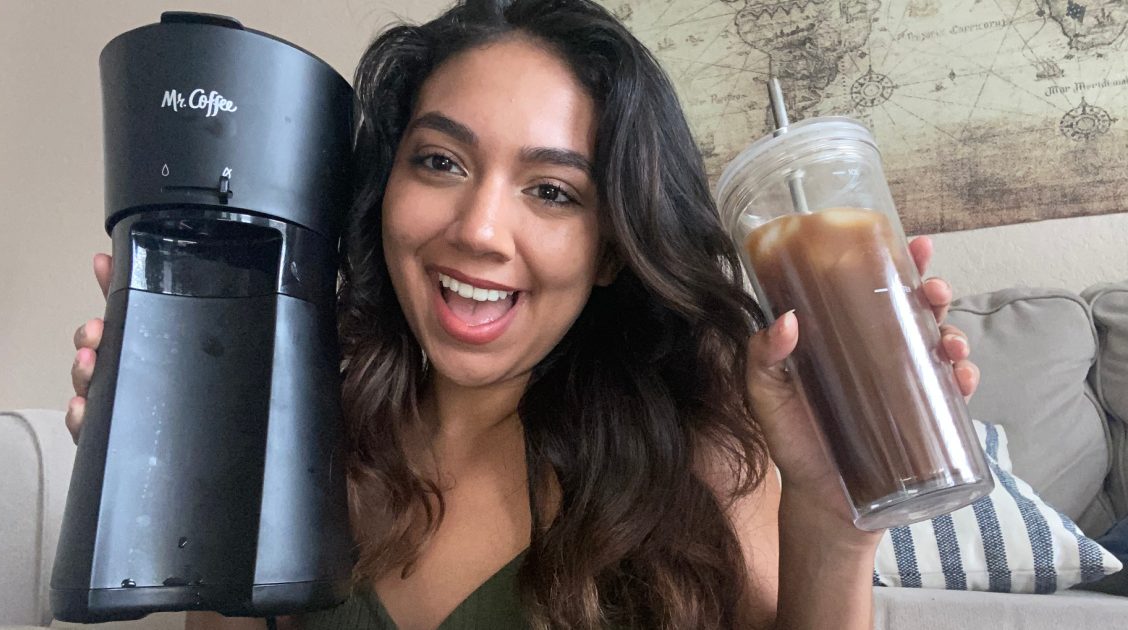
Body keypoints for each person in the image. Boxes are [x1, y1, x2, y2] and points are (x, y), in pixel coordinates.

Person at [66, 1, 980, 628]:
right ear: (382, 188)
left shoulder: (697, 446)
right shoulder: (309, 424)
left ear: (615, 243)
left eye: (551, 190)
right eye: (440, 163)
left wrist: (833, 521)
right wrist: (186, 497)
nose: (479, 230)